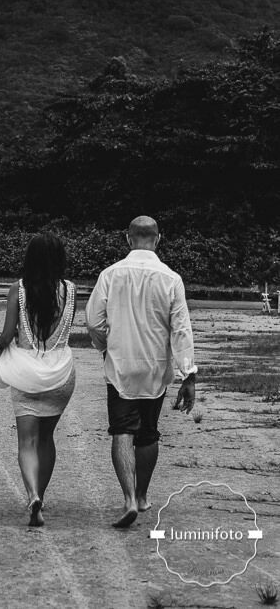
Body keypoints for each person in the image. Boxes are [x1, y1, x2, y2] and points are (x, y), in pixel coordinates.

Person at [85, 216, 197, 529]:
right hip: (155, 368)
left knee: (121, 429)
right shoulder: (171, 278)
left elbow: (93, 320)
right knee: (147, 431)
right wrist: (188, 374)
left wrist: (106, 347)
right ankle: (143, 495)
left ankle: (128, 499)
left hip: (120, 365)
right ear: (158, 239)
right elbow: (181, 329)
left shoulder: (110, 274)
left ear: (127, 239)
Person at [0, 233, 77, 527]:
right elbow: (65, 332)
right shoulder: (71, 290)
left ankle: (32, 496)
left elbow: (7, 336)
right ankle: (41, 493)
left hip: (26, 374)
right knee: (46, 438)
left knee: (26, 442)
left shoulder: (18, 290)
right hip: (60, 375)